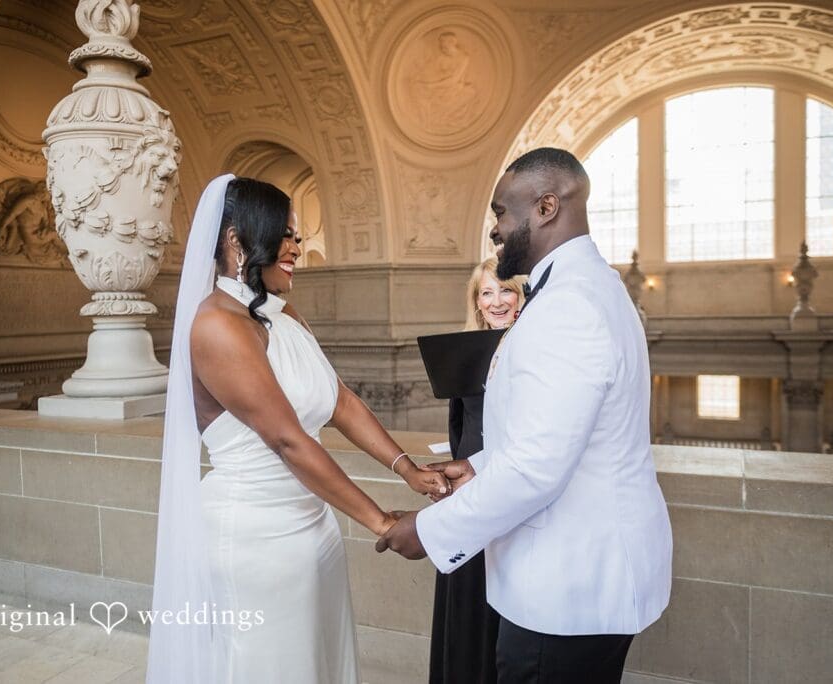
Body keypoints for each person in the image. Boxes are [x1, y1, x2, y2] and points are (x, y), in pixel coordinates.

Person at [376, 148, 673, 683]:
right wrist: (479, 466)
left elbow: (537, 466)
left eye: (501, 213)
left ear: (546, 207)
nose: (495, 229)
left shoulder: (568, 305)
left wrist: (429, 530)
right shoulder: (590, 287)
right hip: (581, 580)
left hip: (565, 590)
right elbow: (560, 434)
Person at [146, 175, 449, 684]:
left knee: (318, 661)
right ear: (237, 240)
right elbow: (287, 440)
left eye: (297, 236)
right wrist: (379, 522)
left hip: (312, 527)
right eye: (283, 234)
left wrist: (408, 470)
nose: (296, 247)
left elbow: (341, 401)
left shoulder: (284, 315)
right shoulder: (217, 324)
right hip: (256, 534)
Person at [431, 257, 524, 684]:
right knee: (466, 600)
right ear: (477, 302)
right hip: (467, 496)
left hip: (513, 494)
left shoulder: (534, 349)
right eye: (487, 292)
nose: (497, 301)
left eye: (506, 290)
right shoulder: (465, 353)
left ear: (521, 297)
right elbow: (458, 426)